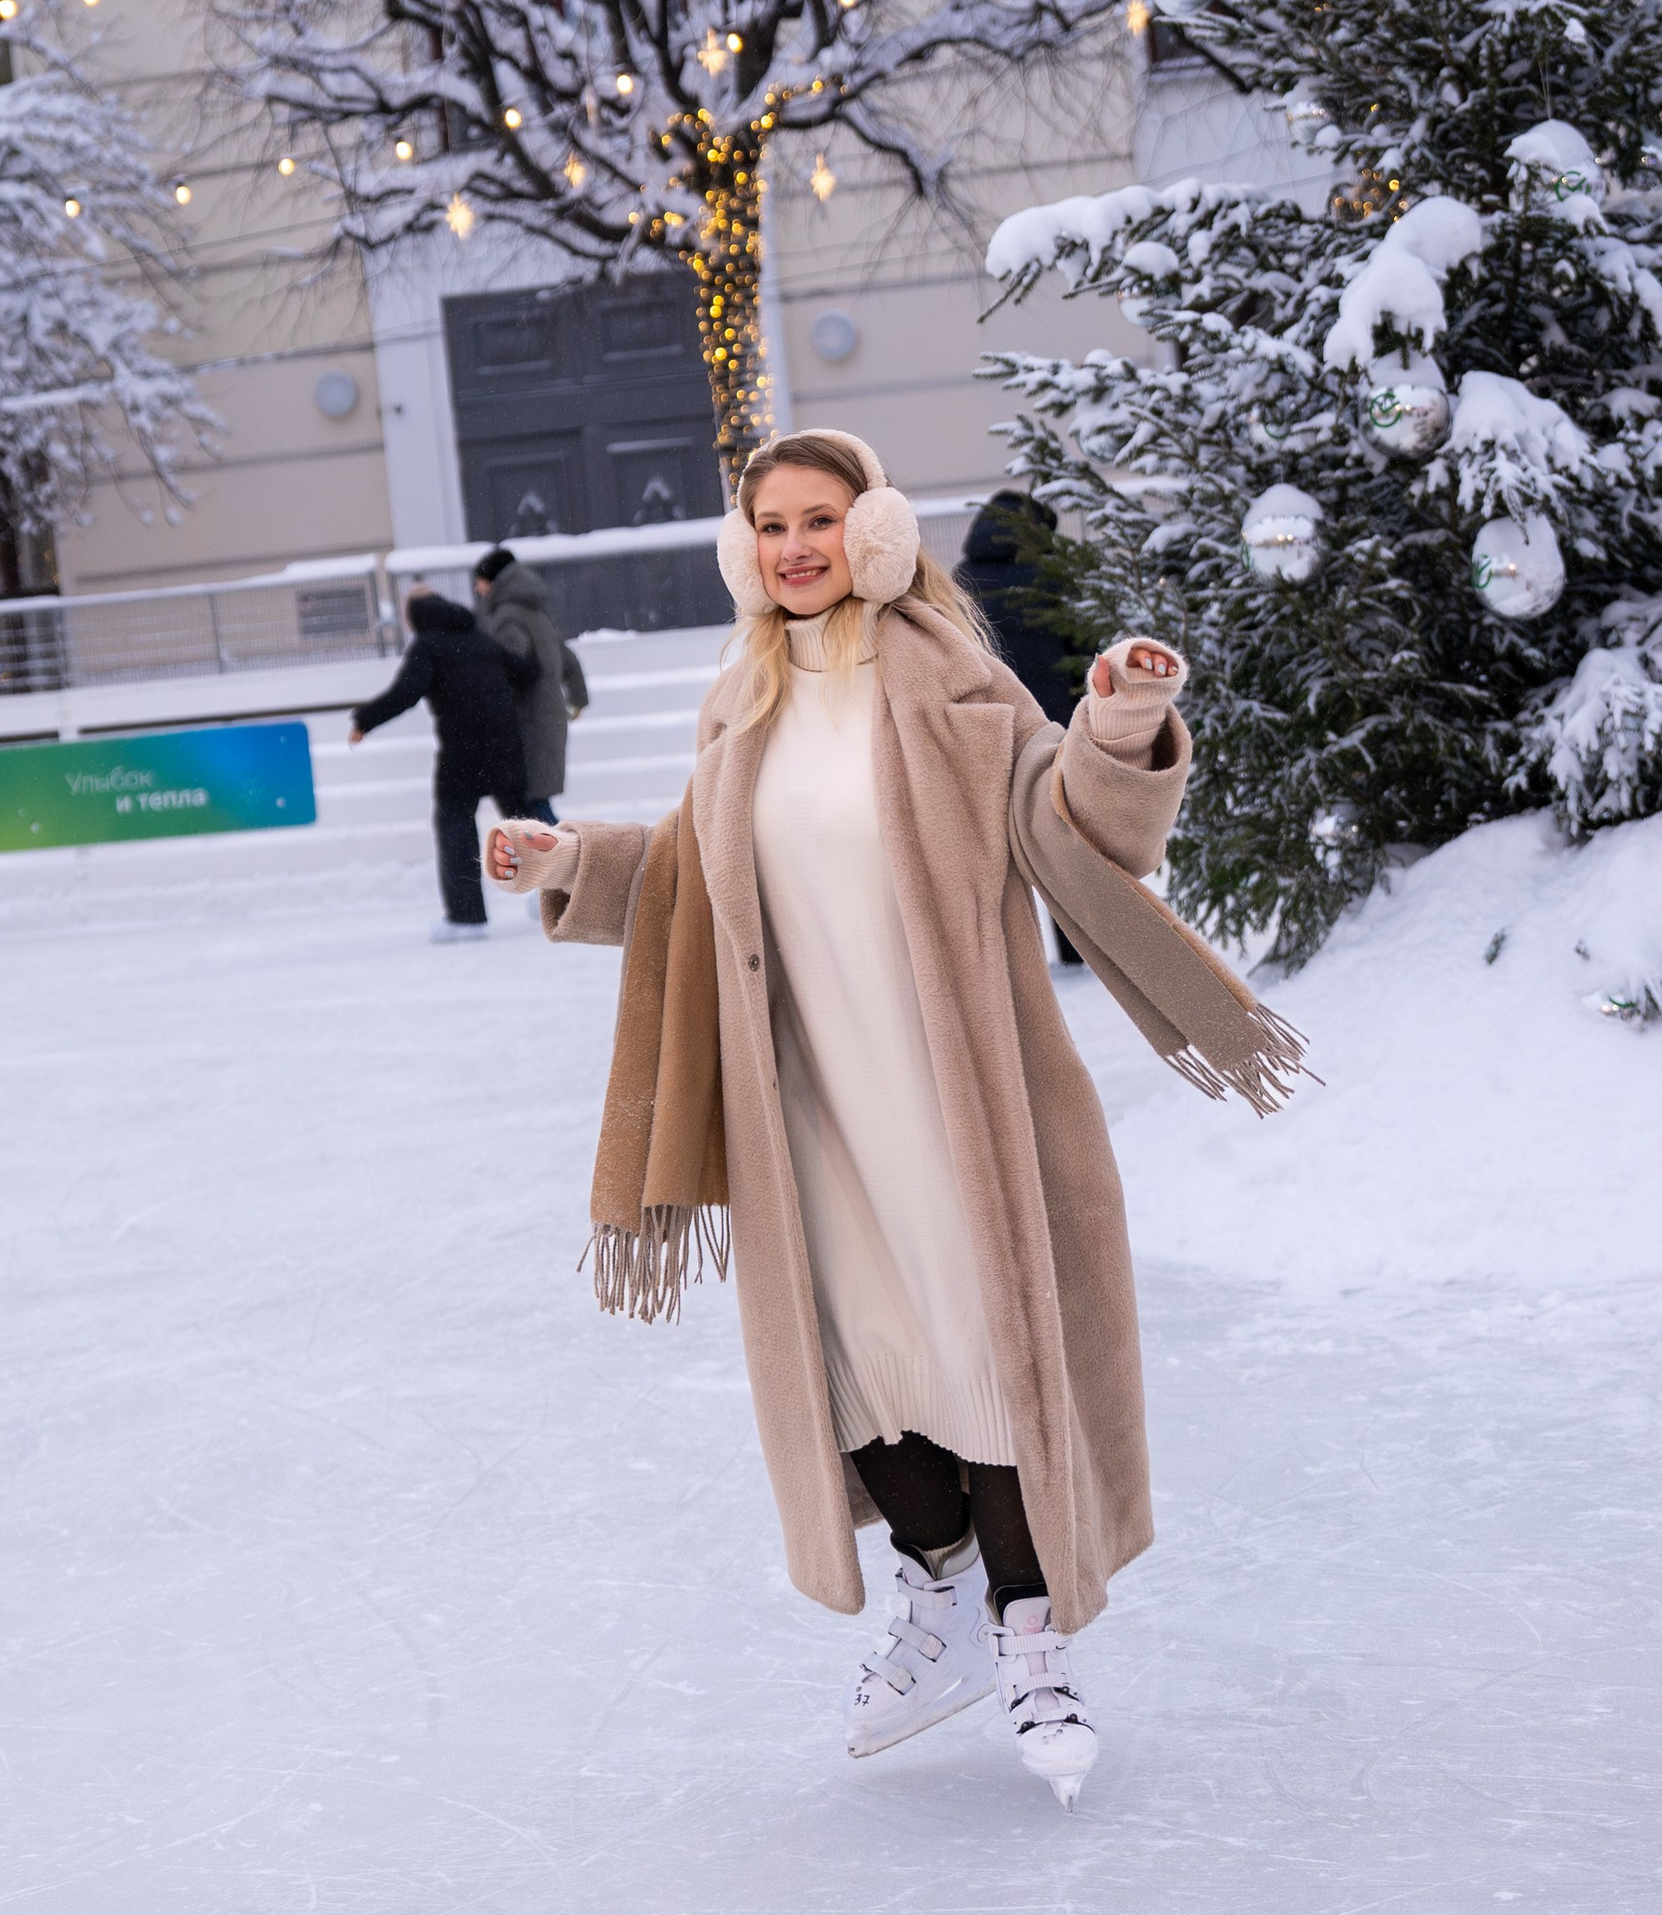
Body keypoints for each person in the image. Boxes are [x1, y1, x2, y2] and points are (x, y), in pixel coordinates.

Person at [486, 429, 1303, 1806]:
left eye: (821, 519)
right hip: (808, 1099)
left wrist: (1112, 722)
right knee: (858, 1361)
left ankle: (1031, 1644)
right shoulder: (738, 704)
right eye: (771, 525)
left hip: (954, 1093)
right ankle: (943, 1600)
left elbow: (1064, 821)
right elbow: (696, 873)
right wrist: (572, 861)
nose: (795, 546)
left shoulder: (941, 680)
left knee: (986, 1351)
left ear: (876, 532)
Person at [348, 586, 530, 938]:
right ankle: (562, 893)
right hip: (506, 745)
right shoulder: (480, 639)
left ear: (416, 616)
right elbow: (525, 671)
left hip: (463, 753)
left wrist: (364, 721)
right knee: (525, 825)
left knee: (455, 827)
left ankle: (467, 918)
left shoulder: (428, 645)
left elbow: (405, 693)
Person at [962, 489, 1089, 963]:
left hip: (989, 733)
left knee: (993, 849)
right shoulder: (1054, 578)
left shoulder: (962, 581)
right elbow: (1085, 652)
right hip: (1057, 731)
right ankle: (1076, 947)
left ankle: (1008, 960)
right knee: (1062, 839)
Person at [472, 547, 588, 825]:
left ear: (493, 580)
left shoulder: (507, 616)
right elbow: (568, 660)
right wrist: (576, 701)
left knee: (530, 806)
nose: (477, 588)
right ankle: (565, 856)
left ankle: (569, 857)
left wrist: (489, 706)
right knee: (535, 803)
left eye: (480, 580)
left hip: (527, 723)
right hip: (546, 717)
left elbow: (510, 668)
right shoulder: (535, 611)